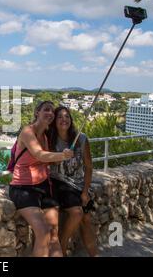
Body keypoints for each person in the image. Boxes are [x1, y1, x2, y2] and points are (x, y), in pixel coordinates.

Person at [8, 101, 74, 257]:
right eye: (46, 110)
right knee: (43, 233)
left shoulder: (45, 136)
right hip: (23, 189)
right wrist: (62, 155)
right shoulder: (27, 132)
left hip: (43, 186)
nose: (50, 113)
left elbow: (46, 159)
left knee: (53, 234)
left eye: (52, 111)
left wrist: (60, 157)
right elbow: (39, 154)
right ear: (37, 112)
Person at [48, 106, 98, 257]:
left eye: (67, 116)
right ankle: (62, 246)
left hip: (77, 185)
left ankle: (94, 255)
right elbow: (45, 162)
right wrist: (60, 156)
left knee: (86, 219)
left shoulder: (81, 139)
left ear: (71, 119)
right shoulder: (50, 139)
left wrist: (84, 191)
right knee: (77, 213)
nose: (64, 120)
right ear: (54, 121)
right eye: (60, 117)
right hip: (59, 183)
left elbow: (89, 167)